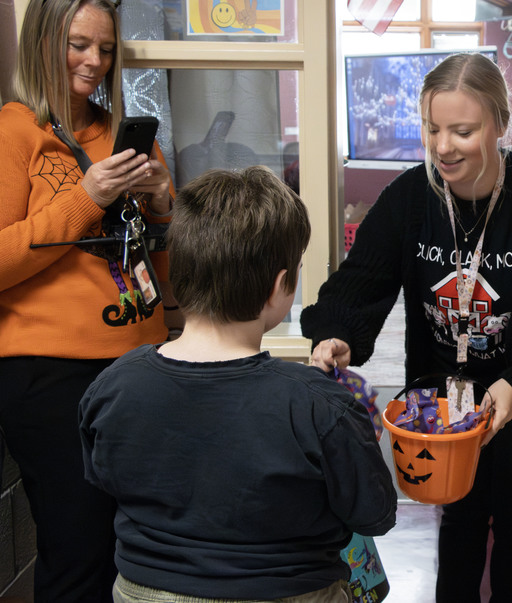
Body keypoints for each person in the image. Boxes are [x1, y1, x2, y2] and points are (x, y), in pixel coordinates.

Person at [301, 52, 512, 602]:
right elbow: (361, 279)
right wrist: (337, 333)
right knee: (459, 520)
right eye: (432, 129)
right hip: (445, 397)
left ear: (501, 126)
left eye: (463, 131)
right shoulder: (411, 198)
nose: (443, 147)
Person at [79, 166, 398, 602]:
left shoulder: (111, 386)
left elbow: (103, 481)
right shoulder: (321, 406)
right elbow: (374, 515)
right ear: (280, 287)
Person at [0, 0, 178, 601]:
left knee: (139, 552)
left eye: (104, 48)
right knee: (76, 556)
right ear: (44, 42)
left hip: (141, 365)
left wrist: (161, 204)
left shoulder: (124, 132)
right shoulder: (14, 131)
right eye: (79, 44)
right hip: (51, 376)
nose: (94, 61)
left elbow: (171, 264)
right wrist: (85, 199)